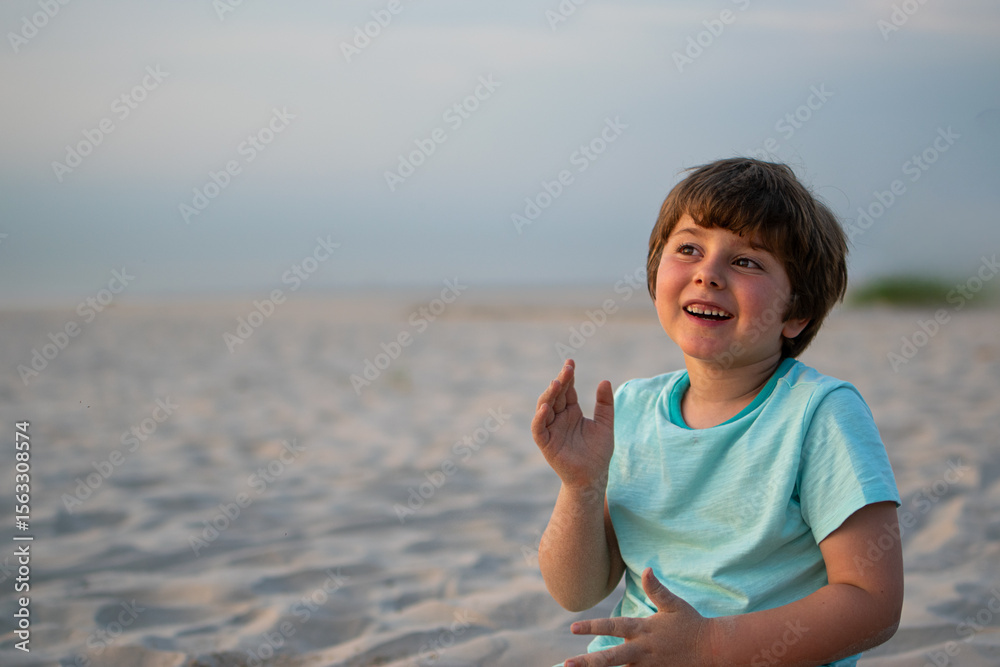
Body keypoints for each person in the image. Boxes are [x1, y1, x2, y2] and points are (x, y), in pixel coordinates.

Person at [532, 158, 903, 667]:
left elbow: (873, 604)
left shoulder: (819, 414)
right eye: (689, 249)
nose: (708, 274)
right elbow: (575, 592)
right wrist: (580, 485)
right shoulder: (632, 409)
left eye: (747, 261)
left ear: (797, 313)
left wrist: (707, 646)